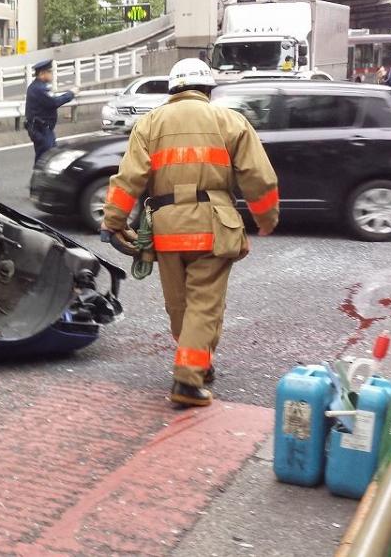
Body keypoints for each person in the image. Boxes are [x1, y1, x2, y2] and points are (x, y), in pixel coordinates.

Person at [100, 58, 279, 408]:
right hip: (213, 223)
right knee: (204, 304)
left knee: (179, 304)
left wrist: (114, 220)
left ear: (172, 90)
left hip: (166, 227)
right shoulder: (229, 121)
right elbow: (259, 177)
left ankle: (196, 362)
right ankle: (188, 379)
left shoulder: (149, 123)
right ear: (207, 89)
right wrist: (266, 218)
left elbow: (128, 178)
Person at [24, 59, 77, 168]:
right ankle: (37, 183)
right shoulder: (39, 89)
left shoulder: (36, 87)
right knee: (45, 159)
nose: (51, 74)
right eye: (49, 72)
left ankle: (42, 183)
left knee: (49, 157)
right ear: (42, 74)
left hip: (42, 129)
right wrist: (71, 94)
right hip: (41, 130)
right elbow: (54, 102)